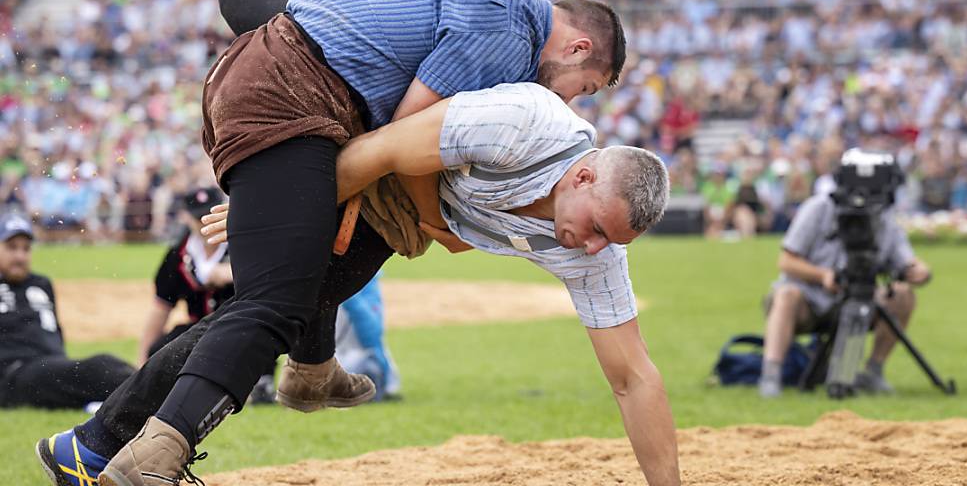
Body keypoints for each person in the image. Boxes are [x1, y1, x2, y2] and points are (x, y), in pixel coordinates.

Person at [39, 82, 680, 486]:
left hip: (395, 210)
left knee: (274, 314)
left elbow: (634, 376)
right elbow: (378, 151)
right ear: (585, 175)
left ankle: (103, 442)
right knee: (263, 316)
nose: (593, 248)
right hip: (348, 129)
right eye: (595, 228)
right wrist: (271, 207)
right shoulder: (522, 123)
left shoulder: (595, 249)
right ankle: (101, 448)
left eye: (610, 243)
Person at [758, 150, 932, 398]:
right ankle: (770, 375)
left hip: (862, 299)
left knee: (903, 294)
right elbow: (786, 260)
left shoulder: (885, 219)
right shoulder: (818, 208)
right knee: (786, 294)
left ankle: (873, 372)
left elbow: (906, 260)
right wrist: (823, 276)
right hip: (811, 301)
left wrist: (919, 271)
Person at [136, 187, 277, 404]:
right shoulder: (177, 255)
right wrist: (142, 366)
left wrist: (233, 273)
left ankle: (260, 383)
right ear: (185, 217)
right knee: (161, 349)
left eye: (210, 214)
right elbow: (161, 308)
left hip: (243, 328)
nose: (205, 222)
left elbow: (273, 282)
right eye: (198, 217)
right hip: (199, 331)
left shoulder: (244, 243)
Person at [0, 211, 135, 410]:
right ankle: (153, 394)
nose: (20, 256)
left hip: (51, 367)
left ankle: (142, 394)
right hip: (15, 373)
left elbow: (56, 331)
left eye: (26, 249)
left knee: (97, 368)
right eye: (12, 248)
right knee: (100, 368)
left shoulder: (41, 283)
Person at [335, 271, 401, 401]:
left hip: (360, 359)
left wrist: (348, 295)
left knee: (368, 366)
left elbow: (371, 335)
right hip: (332, 357)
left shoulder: (367, 284)